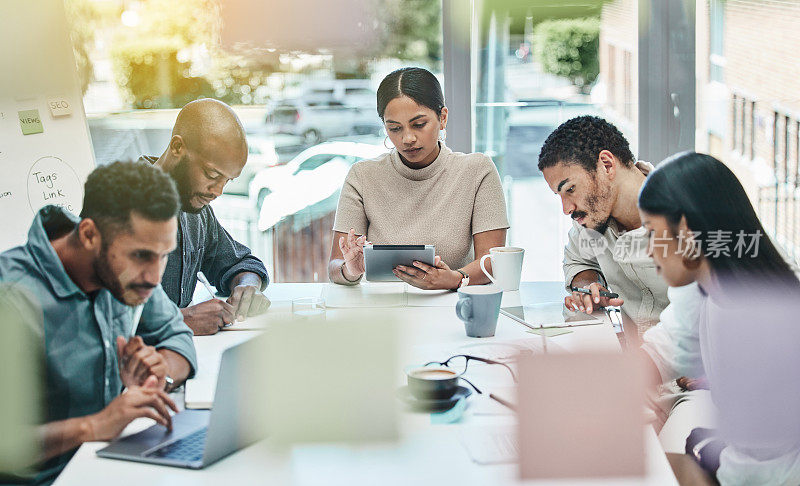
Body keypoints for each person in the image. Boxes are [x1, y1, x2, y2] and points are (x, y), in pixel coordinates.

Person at [0, 161, 197, 485]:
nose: (155, 276)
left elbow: (177, 336)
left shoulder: (130, 276)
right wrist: (93, 426)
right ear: (90, 234)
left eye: (164, 256)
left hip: (108, 465)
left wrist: (157, 373)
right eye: (141, 255)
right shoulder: (13, 298)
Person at [637, 152, 800, 484]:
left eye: (652, 232)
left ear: (684, 229)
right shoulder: (715, 295)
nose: (649, 249)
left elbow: (759, 464)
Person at [329, 67, 509, 289]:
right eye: (394, 128)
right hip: (381, 310)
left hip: (451, 305)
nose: (407, 138)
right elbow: (334, 266)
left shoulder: (478, 170)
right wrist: (350, 270)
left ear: (442, 118)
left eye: (419, 124)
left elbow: (492, 261)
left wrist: (453, 279)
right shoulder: (362, 176)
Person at [142, 99, 270, 335]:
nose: (218, 191)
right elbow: (91, 313)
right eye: (212, 174)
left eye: (227, 180)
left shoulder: (194, 209)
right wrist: (182, 320)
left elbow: (240, 262)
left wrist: (247, 286)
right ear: (177, 147)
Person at [538, 115, 668, 332]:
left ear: (606, 165)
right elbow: (579, 262)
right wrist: (588, 287)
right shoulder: (592, 220)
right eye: (559, 195)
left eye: (570, 189)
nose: (566, 209)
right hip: (629, 356)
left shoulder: (687, 215)